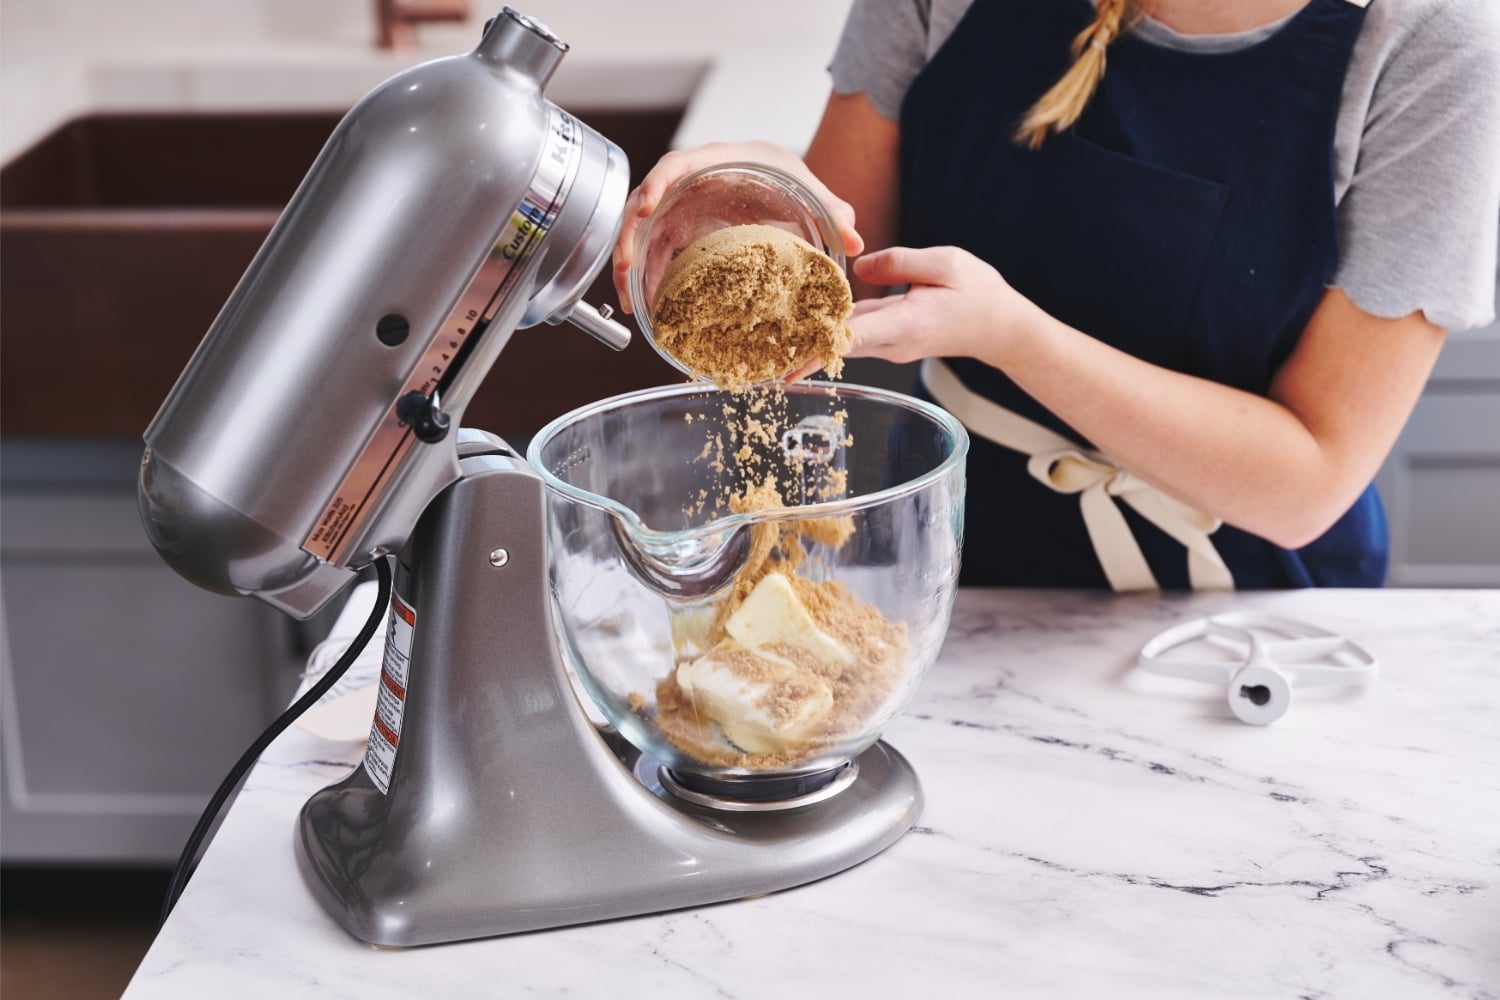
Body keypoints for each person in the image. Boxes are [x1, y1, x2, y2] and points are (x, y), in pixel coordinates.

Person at [611, 0, 1500, 591]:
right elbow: (845, 261)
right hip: (962, 572)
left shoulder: (1431, 43)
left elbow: (1308, 479)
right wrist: (754, 193)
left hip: (1246, 622)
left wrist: (1012, 336)